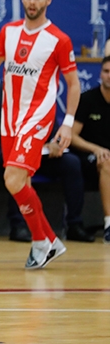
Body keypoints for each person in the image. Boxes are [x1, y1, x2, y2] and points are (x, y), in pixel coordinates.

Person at [0, 0, 81, 269]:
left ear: (47, 1)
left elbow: (73, 84)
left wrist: (67, 123)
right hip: (9, 119)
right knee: (22, 184)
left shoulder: (59, 39)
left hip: (36, 118)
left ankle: (40, 242)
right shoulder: (8, 31)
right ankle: (50, 241)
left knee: (12, 179)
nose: (32, 2)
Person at [0, 83, 92, 243]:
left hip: (38, 151)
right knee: (17, 167)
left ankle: (74, 224)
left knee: (71, 163)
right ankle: (19, 224)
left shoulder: (43, 93)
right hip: (6, 152)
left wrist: (54, 143)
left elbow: (52, 129)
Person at [71, 55, 110, 244]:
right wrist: (96, 149)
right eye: (106, 71)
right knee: (106, 161)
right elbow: (72, 136)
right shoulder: (87, 99)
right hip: (88, 157)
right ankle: (109, 224)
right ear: (100, 74)